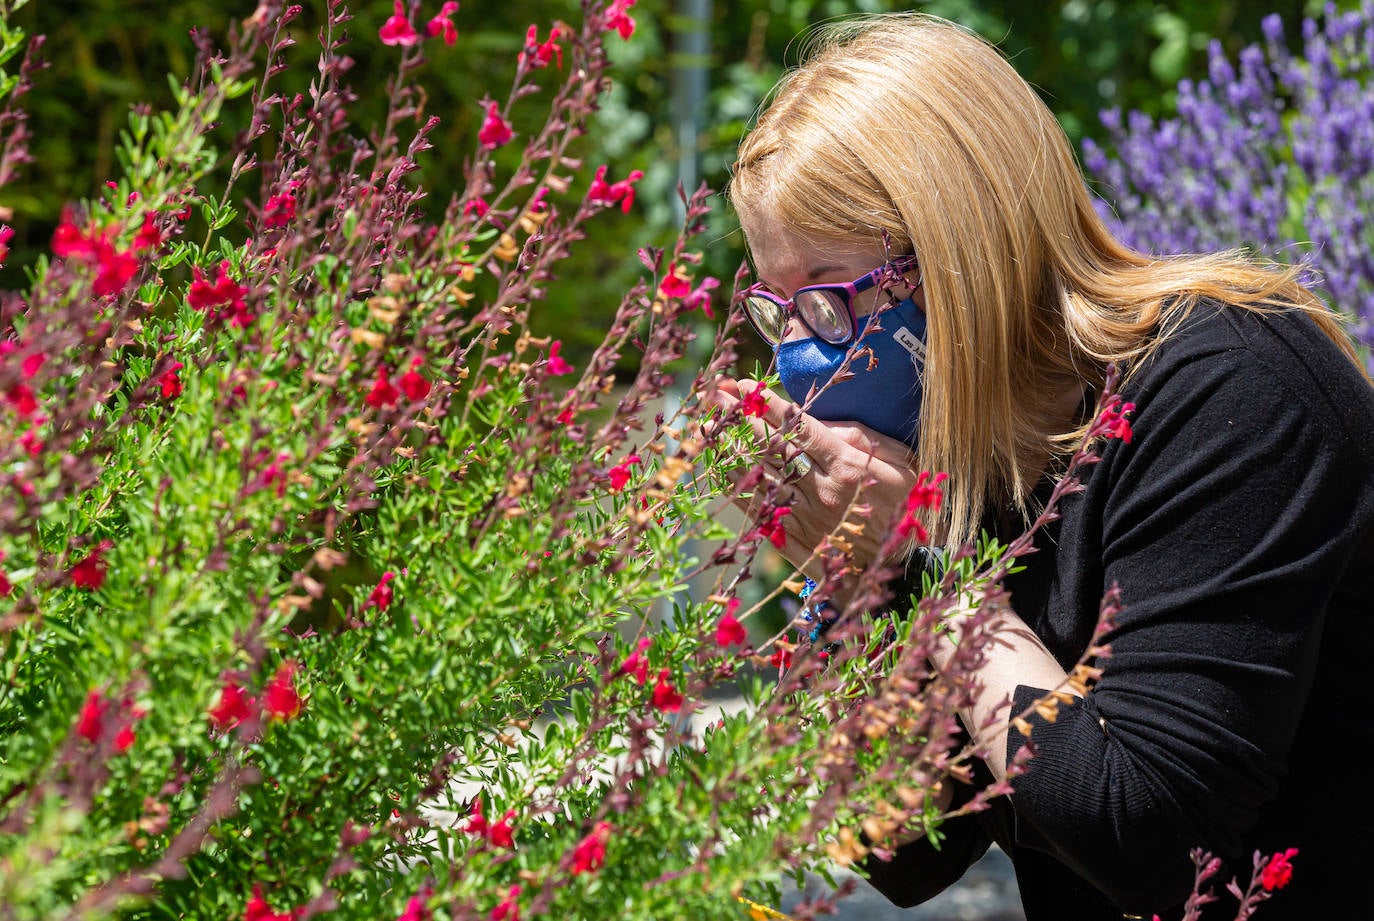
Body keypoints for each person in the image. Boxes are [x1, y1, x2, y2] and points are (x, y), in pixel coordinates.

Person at [707, 12, 1374, 921]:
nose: (796, 360)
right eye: (775, 311)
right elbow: (898, 848)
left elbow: (1146, 836)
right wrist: (855, 571)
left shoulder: (1236, 389)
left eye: (827, 302)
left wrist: (926, 575)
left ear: (959, 261)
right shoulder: (965, 443)